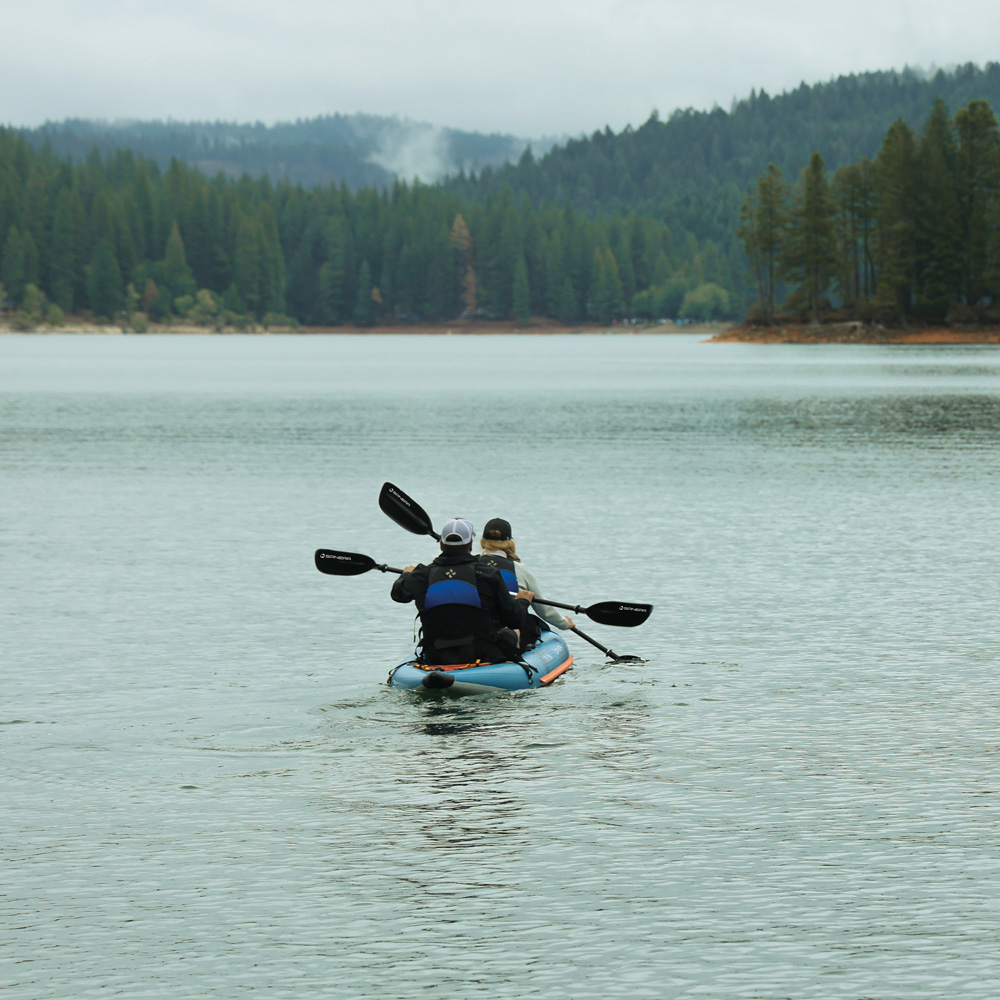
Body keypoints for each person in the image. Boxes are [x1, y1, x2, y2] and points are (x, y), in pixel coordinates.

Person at [391, 517, 536, 665]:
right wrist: (523, 601)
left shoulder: (422, 574)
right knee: (513, 632)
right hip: (482, 655)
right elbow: (514, 620)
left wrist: (407, 574)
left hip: (435, 656)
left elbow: (398, 594)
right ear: (470, 545)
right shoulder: (488, 574)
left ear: (441, 544)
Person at [477, 516, 574, 649]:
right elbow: (544, 610)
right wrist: (564, 623)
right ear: (510, 542)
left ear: (483, 541)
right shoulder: (519, 568)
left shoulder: (472, 565)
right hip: (510, 631)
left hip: (478, 630)